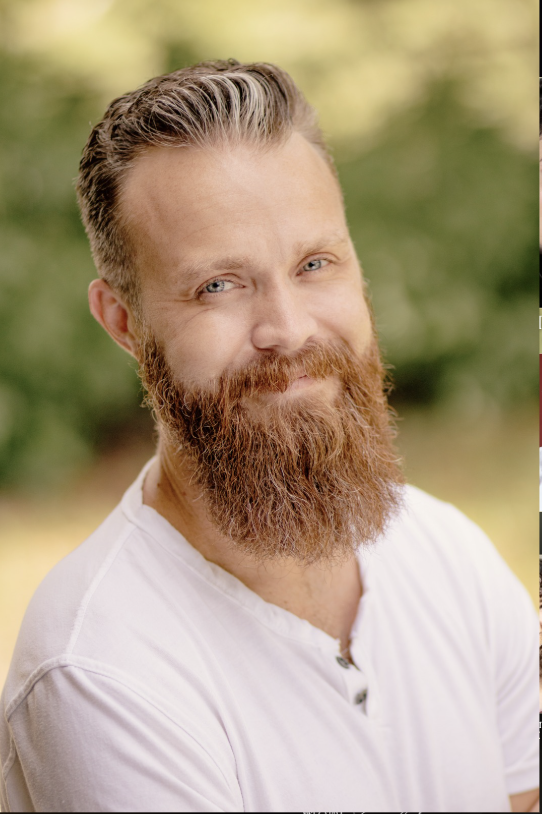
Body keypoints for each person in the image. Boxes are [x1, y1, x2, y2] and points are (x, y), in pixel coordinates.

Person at [0, 60, 538, 813]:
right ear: (123, 321)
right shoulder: (101, 671)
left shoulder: (451, 559)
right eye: (217, 285)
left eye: (315, 264)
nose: (287, 329)